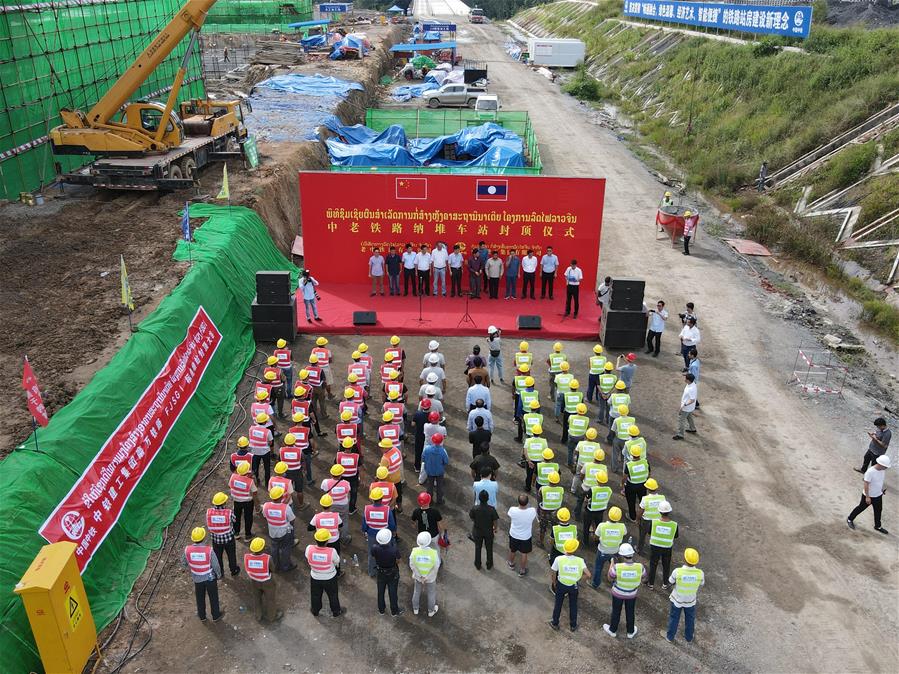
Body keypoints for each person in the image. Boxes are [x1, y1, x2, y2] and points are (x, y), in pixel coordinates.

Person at [604, 543, 646, 639]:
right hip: (632, 594)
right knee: (630, 612)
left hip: (618, 593)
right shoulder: (640, 567)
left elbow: (610, 578)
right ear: (632, 554)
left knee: (616, 611)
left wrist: (611, 564)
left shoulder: (617, 567)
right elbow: (644, 579)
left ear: (622, 556)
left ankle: (613, 630)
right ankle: (630, 632)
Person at [549, 538, 591, 632]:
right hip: (573, 586)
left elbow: (553, 572)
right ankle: (573, 625)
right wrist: (578, 579)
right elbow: (588, 575)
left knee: (558, 604)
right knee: (573, 605)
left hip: (561, 585)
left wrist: (554, 582)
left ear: (565, 548)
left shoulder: (559, 559)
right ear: (575, 549)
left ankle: (555, 622)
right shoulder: (580, 560)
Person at [664, 547, 705, 643]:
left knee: (674, 618)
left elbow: (670, 581)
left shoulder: (677, 571)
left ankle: (670, 637)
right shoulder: (700, 573)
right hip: (690, 601)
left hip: (677, 600)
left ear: (685, 559)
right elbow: (702, 584)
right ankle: (689, 638)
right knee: (690, 619)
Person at [183, 527, 224, 622]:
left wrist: (194, 567)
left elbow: (184, 563)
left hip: (197, 579)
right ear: (204, 537)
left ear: (192, 538)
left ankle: (202, 616)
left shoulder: (187, 550)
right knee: (213, 597)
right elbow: (215, 565)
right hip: (210, 579)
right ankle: (216, 616)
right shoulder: (209, 550)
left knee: (200, 597)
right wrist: (218, 575)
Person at [847, 454, 891, 534]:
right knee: (860, 508)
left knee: (878, 510)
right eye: (885, 466)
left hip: (878, 495)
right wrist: (867, 497)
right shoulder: (870, 471)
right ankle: (850, 519)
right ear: (881, 464)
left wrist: (881, 490)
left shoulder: (882, 470)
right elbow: (866, 484)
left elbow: (879, 481)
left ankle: (877, 526)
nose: (886, 468)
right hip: (868, 496)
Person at [306, 528, 344, 617]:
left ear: (315, 539)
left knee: (315, 595)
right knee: (333, 595)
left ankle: (315, 610)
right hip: (330, 578)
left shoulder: (309, 549)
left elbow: (307, 557)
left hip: (315, 577)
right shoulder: (332, 551)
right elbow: (337, 561)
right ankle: (336, 611)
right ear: (327, 541)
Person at [244, 537, 282, 623]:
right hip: (267, 582)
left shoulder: (247, 557)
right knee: (270, 599)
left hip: (254, 581)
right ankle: (272, 616)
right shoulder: (267, 558)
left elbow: (247, 569)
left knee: (257, 598)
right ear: (263, 548)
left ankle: (258, 615)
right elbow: (273, 569)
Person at [363, 488, 397, 577]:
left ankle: (371, 572)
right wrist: (392, 532)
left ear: (372, 499)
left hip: (371, 535)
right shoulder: (387, 510)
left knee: (371, 554)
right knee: (388, 553)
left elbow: (364, 524)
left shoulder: (367, 509)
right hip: (385, 536)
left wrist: (365, 531)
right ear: (382, 498)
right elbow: (392, 524)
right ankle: (388, 570)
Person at [262, 486, 297, 572]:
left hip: (272, 532)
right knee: (285, 549)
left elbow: (264, 516)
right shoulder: (286, 508)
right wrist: (290, 528)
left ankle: (276, 565)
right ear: (281, 496)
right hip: (285, 532)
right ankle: (285, 566)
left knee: (274, 548)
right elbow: (292, 520)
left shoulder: (265, 506)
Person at [591, 507, 627, 588]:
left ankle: (595, 584)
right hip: (615, 551)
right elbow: (624, 534)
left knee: (598, 568)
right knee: (615, 567)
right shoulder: (622, 526)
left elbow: (596, 537)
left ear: (608, 515)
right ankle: (613, 580)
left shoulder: (602, 526)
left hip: (602, 551)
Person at [207, 492, 240, 578]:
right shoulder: (228, 513)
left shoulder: (209, 512)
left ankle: (220, 572)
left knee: (218, 557)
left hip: (216, 540)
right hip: (228, 539)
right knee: (231, 555)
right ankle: (234, 570)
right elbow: (234, 520)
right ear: (224, 503)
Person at [646, 501, 678, 589]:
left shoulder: (654, 522)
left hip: (655, 546)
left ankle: (651, 584)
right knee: (666, 565)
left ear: (659, 511)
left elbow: (649, 532)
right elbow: (676, 536)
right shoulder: (674, 525)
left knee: (653, 564)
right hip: (667, 548)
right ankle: (665, 583)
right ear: (669, 512)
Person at [371, 528, 403, 616]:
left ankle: (381, 609)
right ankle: (394, 611)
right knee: (392, 592)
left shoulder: (374, 548)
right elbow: (398, 560)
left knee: (380, 591)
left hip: (380, 571)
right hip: (392, 571)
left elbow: (373, 556)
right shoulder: (394, 549)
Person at [410, 532, 441, 616]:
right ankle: (431, 611)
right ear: (429, 541)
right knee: (431, 593)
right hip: (430, 578)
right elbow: (436, 567)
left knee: (416, 591)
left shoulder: (414, 551)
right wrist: (427, 577)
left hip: (418, 577)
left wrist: (420, 576)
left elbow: (412, 565)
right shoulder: (433, 553)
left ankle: (415, 609)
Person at [508, 493, 537, 575]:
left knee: (512, 550)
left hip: (514, 534)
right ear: (527, 503)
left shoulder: (512, 510)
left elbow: (509, 515)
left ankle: (511, 563)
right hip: (526, 537)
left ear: (518, 502)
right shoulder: (532, 511)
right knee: (524, 553)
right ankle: (522, 570)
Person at [470, 489, 499, 570]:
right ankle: (489, 564)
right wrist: (495, 528)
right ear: (488, 498)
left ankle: (477, 564)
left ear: (479, 498)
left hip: (477, 531)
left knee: (478, 547)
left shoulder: (474, 508)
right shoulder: (491, 509)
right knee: (489, 548)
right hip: (488, 531)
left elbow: (472, 518)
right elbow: (495, 520)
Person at [229, 462, 257, 541]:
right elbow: (254, 491)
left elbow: (230, 485)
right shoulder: (250, 481)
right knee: (248, 517)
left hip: (236, 501)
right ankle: (248, 535)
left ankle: (236, 533)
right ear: (247, 471)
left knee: (236, 517)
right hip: (247, 502)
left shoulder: (233, 477)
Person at [422, 433, 449, 504]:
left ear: (432, 440)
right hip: (439, 472)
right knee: (439, 486)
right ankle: (439, 501)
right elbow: (446, 461)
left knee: (429, 486)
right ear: (441, 441)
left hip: (429, 471)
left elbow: (423, 459)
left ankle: (429, 501)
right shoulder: (443, 451)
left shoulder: (427, 449)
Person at [673, 373, 698, 440]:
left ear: (688, 380)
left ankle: (680, 434)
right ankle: (692, 429)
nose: (685, 379)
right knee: (689, 417)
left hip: (686, 407)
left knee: (681, 420)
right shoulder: (692, 384)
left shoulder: (691, 389)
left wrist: (684, 405)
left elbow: (692, 400)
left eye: (686, 378)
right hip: (690, 408)